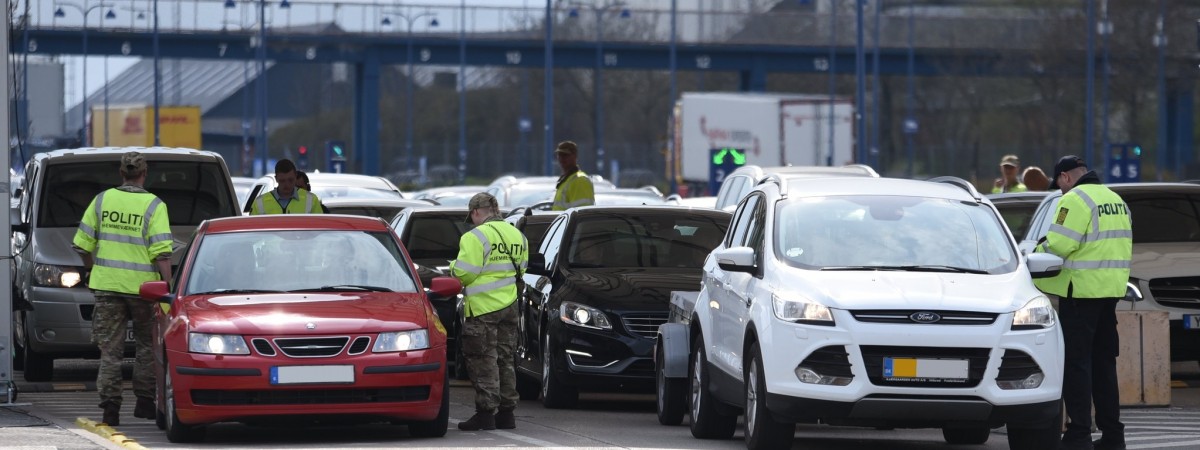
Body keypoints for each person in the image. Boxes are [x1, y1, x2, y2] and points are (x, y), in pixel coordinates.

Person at [1034, 155, 1131, 450]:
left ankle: (1078, 435)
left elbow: (1059, 245)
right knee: (1104, 365)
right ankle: (1113, 436)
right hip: (1109, 294)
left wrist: (1037, 249)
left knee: (1077, 366)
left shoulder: (1075, 199)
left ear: (1065, 177)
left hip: (1080, 296)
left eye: (1060, 185)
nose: (1061, 191)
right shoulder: (1116, 200)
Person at [71, 152, 173, 426]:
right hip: (143, 290)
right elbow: (162, 254)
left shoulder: (102, 200)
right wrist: (169, 289)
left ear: (121, 172)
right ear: (144, 172)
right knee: (146, 347)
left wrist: (92, 267)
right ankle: (144, 403)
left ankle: (110, 409)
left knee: (110, 351)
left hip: (106, 288)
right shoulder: (155, 205)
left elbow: (82, 245)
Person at [450, 193, 528, 431]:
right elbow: (521, 270)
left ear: (475, 212)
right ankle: (507, 414)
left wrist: (452, 266)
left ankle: (485, 414)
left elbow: (465, 274)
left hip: (483, 309)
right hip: (510, 307)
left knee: (483, 361)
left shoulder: (475, 237)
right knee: (505, 359)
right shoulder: (518, 235)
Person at [250, 159, 324, 214]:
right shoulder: (260, 203)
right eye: (282, 181)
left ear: (296, 177)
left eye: (290, 180)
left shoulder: (311, 200)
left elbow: (320, 228)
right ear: (276, 179)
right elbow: (253, 231)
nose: (287, 184)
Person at [550, 141, 595, 211]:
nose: (562, 158)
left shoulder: (580, 180)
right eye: (559, 155)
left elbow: (582, 214)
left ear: (575, 156)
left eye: (565, 155)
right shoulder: (566, 180)